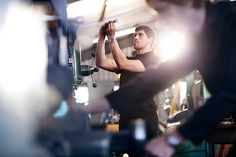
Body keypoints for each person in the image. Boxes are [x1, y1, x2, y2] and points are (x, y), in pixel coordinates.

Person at [81, 0, 236, 156]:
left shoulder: (231, 21)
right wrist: (90, 107)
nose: (161, 21)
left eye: (163, 10)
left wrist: (174, 139)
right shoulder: (199, 40)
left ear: (187, 2)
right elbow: (158, 78)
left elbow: (231, 93)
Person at [96, 22, 161, 139]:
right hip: (126, 118)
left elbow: (122, 63)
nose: (135, 37)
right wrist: (101, 37)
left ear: (150, 40)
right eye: (134, 35)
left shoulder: (153, 60)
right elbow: (101, 62)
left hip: (145, 118)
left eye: (140, 35)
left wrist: (111, 38)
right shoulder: (129, 61)